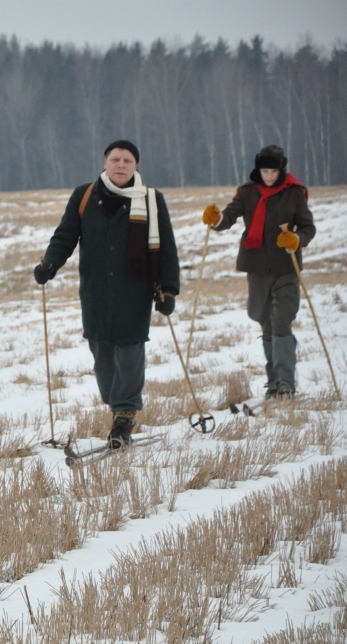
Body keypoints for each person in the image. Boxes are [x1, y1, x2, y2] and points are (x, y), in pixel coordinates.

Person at [34, 140, 180, 448]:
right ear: (105, 163)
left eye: (128, 160)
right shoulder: (85, 196)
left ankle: (124, 416)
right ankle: (116, 406)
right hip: (96, 292)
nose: (121, 165)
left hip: (135, 291)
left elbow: (166, 248)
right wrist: (50, 264)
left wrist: (168, 289)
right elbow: (65, 236)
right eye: (115, 159)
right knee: (102, 357)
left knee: (129, 353)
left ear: (135, 166)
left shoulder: (151, 200)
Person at [203, 144, 315, 399]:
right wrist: (216, 219)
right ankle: (273, 381)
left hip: (286, 267)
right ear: (258, 170)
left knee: (281, 321)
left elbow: (308, 227)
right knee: (263, 320)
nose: (269, 176)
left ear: (281, 170)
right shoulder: (247, 192)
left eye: (274, 171)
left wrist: (297, 238)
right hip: (256, 267)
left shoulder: (294, 193)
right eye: (265, 171)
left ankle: (286, 384)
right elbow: (229, 218)